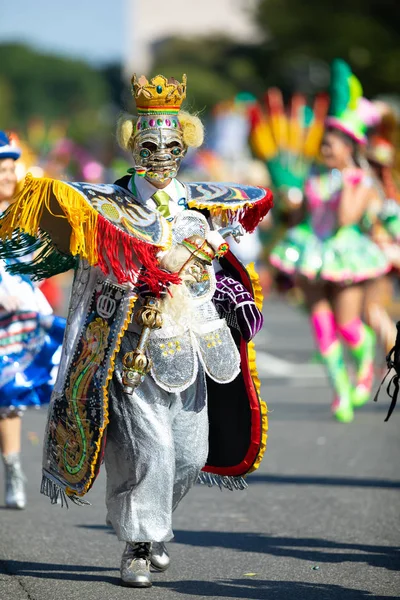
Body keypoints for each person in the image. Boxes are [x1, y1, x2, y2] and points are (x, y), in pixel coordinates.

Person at [0, 74, 272, 587]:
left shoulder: (204, 206)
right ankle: (139, 544)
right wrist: (138, 280)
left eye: (173, 145)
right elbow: (93, 273)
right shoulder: (106, 208)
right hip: (132, 352)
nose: (162, 154)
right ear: (133, 145)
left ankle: (152, 524)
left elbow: (222, 269)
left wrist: (203, 265)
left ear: (187, 144)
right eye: (150, 144)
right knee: (151, 452)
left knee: (190, 456)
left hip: (193, 348)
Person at [269, 60, 390, 423]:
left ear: (350, 146)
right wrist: (289, 201)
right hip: (311, 253)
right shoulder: (314, 179)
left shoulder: (362, 183)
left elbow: (346, 220)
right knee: (322, 327)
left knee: (348, 325)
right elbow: (301, 218)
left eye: (332, 143)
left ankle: (366, 360)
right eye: (323, 142)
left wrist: (352, 182)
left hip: (346, 254)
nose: (324, 148)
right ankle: (340, 391)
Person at [0, 131, 65, 509]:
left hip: (21, 321)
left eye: (10, 169)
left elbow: (43, 264)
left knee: (11, 399)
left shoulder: (26, 214)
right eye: (0, 170)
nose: (6, 177)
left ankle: (15, 473)